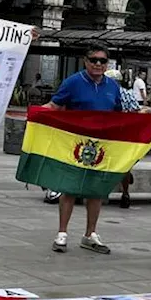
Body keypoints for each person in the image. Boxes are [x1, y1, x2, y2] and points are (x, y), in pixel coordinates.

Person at [45, 44, 119, 255]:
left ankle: (90, 234)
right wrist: (36, 114)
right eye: (93, 60)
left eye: (102, 61)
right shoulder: (73, 82)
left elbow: (119, 114)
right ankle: (62, 233)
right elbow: (55, 106)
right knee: (69, 188)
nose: (98, 64)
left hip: (102, 146)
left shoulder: (112, 87)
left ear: (107, 64)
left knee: (96, 191)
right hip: (75, 144)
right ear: (85, 61)